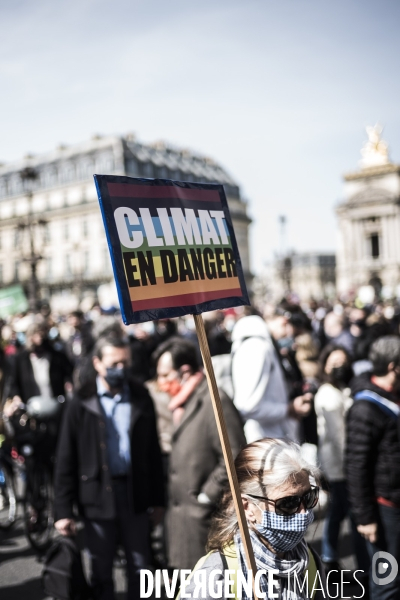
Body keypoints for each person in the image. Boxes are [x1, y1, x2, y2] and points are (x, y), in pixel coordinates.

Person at [54, 334, 165, 600]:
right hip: (96, 498)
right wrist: (62, 510)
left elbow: (153, 453)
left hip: (135, 495)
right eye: (114, 363)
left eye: (125, 362)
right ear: (98, 363)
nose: (121, 369)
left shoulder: (140, 396)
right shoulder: (80, 402)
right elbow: (65, 459)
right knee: (101, 570)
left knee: (141, 568)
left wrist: (159, 500)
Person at [182, 438, 326, 600]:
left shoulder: (307, 560)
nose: (303, 512)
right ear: (247, 507)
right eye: (288, 503)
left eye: (308, 497)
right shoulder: (217, 573)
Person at [154, 337, 246, 571]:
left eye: (166, 375)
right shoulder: (182, 402)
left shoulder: (214, 400)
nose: (161, 382)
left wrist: (206, 496)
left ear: (184, 371)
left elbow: (233, 455)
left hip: (203, 517)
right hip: (181, 519)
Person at [346, 336, 400, 600]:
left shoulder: (393, 395)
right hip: (385, 507)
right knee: (388, 580)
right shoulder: (366, 408)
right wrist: (365, 517)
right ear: (393, 367)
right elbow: (356, 467)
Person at [314, 345, 368, 576]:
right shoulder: (328, 394)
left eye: (343, 362)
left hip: (341, 465)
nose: (339, 367)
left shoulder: (340, 389)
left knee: (337, 511)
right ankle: (362, 568)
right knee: (353, 514)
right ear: (324, 364)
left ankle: (329, 555)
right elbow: (339, 438)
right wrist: (355, 467)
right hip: (340, 466)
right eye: (334, 362)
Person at [231, 316, 311, 443]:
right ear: (283, 321)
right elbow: (247, 406)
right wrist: (287, 409)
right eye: (292, 333)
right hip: (268, 442)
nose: (290, 337)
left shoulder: (260, 344)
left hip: (272, 439)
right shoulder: (256, 347)